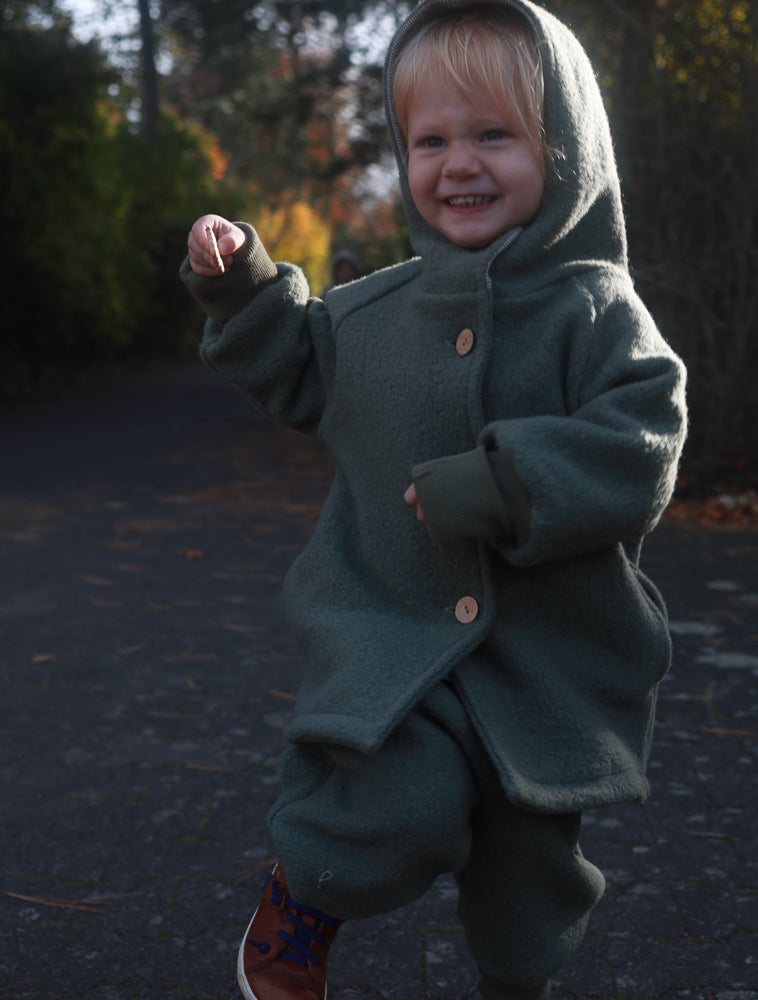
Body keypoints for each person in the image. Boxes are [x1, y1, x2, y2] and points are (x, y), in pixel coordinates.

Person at [180, 2, 687, 999]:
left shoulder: (595, 311)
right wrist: (243, 286)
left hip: (546, 658)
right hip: (396, 633)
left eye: (494, 134)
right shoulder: (379, 312)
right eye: (431, 140)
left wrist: (509, 480)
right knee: (390, 804)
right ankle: (303, 894)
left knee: (527, 884)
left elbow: (643, 440)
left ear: (566, 145)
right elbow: (300, 363)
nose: (459, 163)